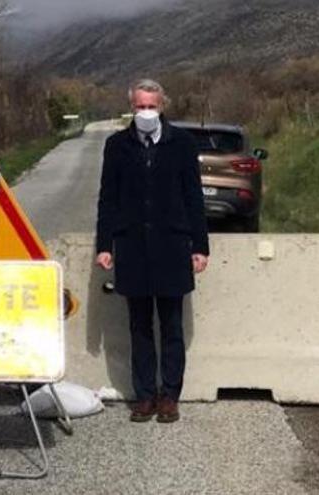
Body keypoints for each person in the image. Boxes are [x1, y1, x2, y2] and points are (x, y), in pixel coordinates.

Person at [95, 79, 210, 423]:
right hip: (132, 248)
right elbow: (108, 199)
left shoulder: (183, 144)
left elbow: (194, 198)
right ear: (131, 107)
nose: (146, 112)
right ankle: (144, 395)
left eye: (152, 106)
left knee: (172, 326)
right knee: (139, 327)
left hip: (172, 246)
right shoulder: (117, 145)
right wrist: (105, 245)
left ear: (162, 107)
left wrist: (200, 246)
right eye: (140, 106)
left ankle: (170, 395)